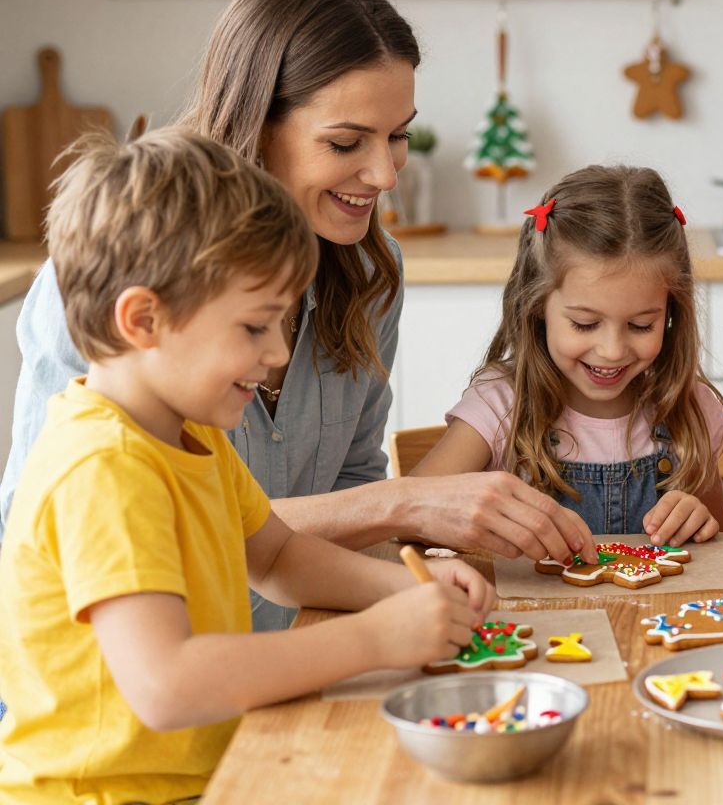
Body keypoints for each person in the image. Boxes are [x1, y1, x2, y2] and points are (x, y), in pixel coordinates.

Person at [0, 0, 595, 631]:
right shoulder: (116, 277)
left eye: (398, 136)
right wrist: (403, 505)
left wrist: (405, 585)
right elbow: (58, 534)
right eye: (346, 142)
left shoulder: (369, 271)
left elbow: (317, 512)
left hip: (296, 651)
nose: (384, 175)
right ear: (256, 125)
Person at [0, 131, 493, 804]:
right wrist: (374, 639)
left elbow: (277, 558)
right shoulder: (104, 469)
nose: (279, 353)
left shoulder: (188, 430)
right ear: (143, 320)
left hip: (206, 776)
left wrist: (407, 586)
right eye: (256, 327)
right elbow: (168, 686)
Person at [412, 165, 723, 545]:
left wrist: (699, 522)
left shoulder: (688, 408)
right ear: (536, 306)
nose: (612, 351)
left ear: (671, 314)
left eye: (641, 325)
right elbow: (408, 516)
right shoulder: (500, 407)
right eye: (584, 324)